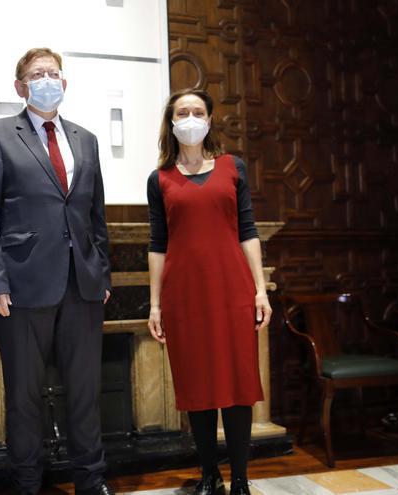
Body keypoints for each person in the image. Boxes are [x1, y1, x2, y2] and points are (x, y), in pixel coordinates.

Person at [0, 47, 112, 495]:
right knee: (25, 397)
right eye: (37, 74)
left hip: (82, 286)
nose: (47, 79)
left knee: (86, 393)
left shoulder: (85, 139)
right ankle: (27, 485)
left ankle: (92, 482)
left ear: (64, 83)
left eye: (53, 73)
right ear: (20, 86)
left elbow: (95, 215)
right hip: (20, 286)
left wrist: (102, 273)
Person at [146, 88, 271, 495]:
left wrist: (260, 290)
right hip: (183, 296)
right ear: (171, 120)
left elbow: (248, 231)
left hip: (232, 289)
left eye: (198, 111)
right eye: (182, 112)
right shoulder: (159, 179)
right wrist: (155, 305)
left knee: (237, 384)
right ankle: (209, 475)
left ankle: (239, 479)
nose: (191, 118)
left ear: (210, 119)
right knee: (197, 387)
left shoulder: (234, 168)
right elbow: (158, 243)